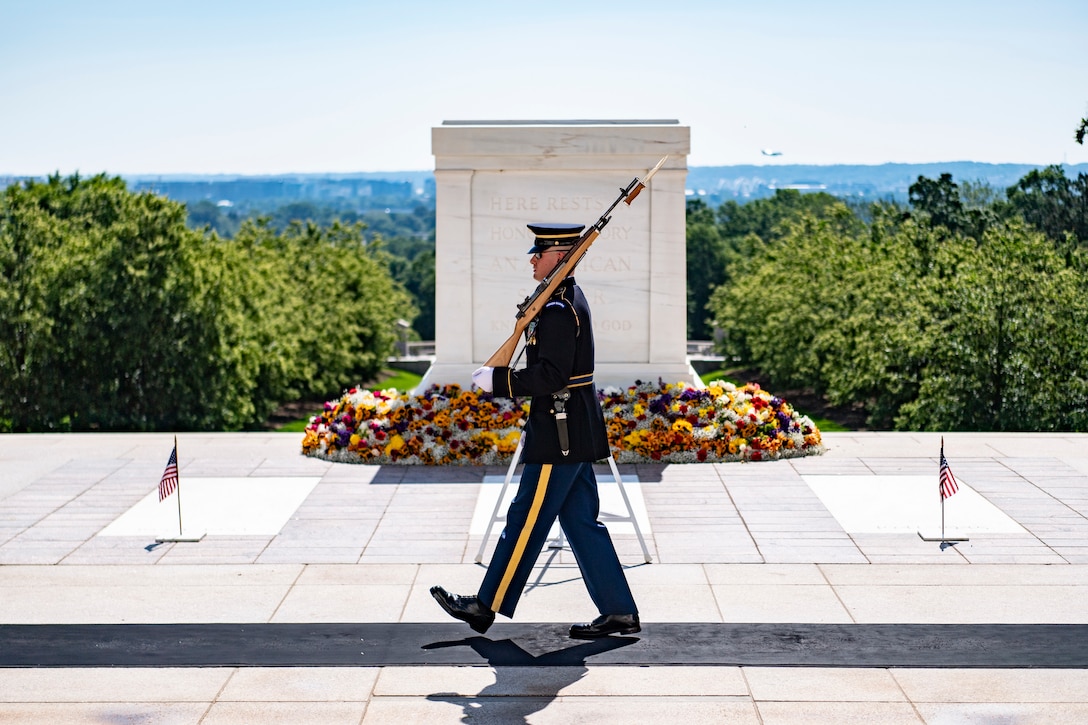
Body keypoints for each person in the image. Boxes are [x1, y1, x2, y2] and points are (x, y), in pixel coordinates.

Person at [430, 222, 640, 639]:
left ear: (560, 258)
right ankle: (618, 610)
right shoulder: (559, 300)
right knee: (581, 522)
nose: (532, 259)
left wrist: (500, 383)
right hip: (572, 427)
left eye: (539, 253)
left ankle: (485, 605)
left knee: (525, 518)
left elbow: (552, 376)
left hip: (559, 431)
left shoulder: (560, 309)